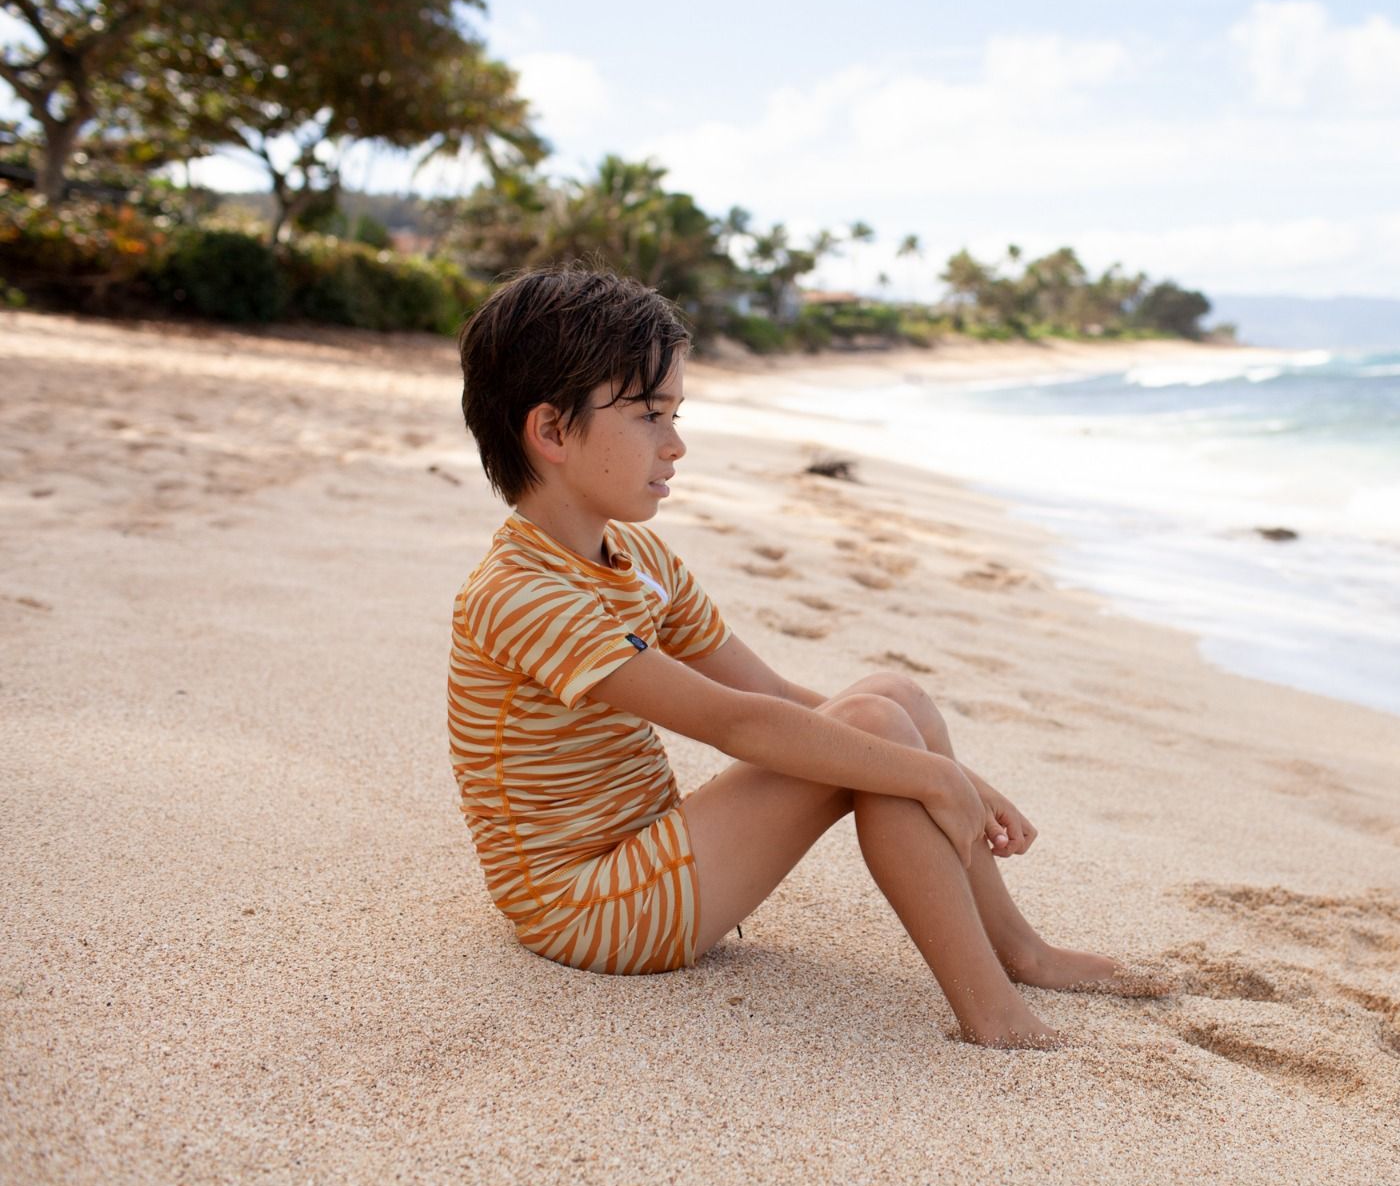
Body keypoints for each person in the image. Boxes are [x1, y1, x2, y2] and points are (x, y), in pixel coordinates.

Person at [448, 266, 1167, 1050]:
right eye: (651, 416)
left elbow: (773, 691)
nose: (676, 443)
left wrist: (942, 763)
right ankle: (993, 1017)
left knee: (895, 699)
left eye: (676, 414)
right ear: (551, 432)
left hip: (647, 859)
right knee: (880, 733)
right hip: (587, 908)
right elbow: (736, 722)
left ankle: (1020, 950)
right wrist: (928, 773)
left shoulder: (638, 556)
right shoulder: (519, 592)